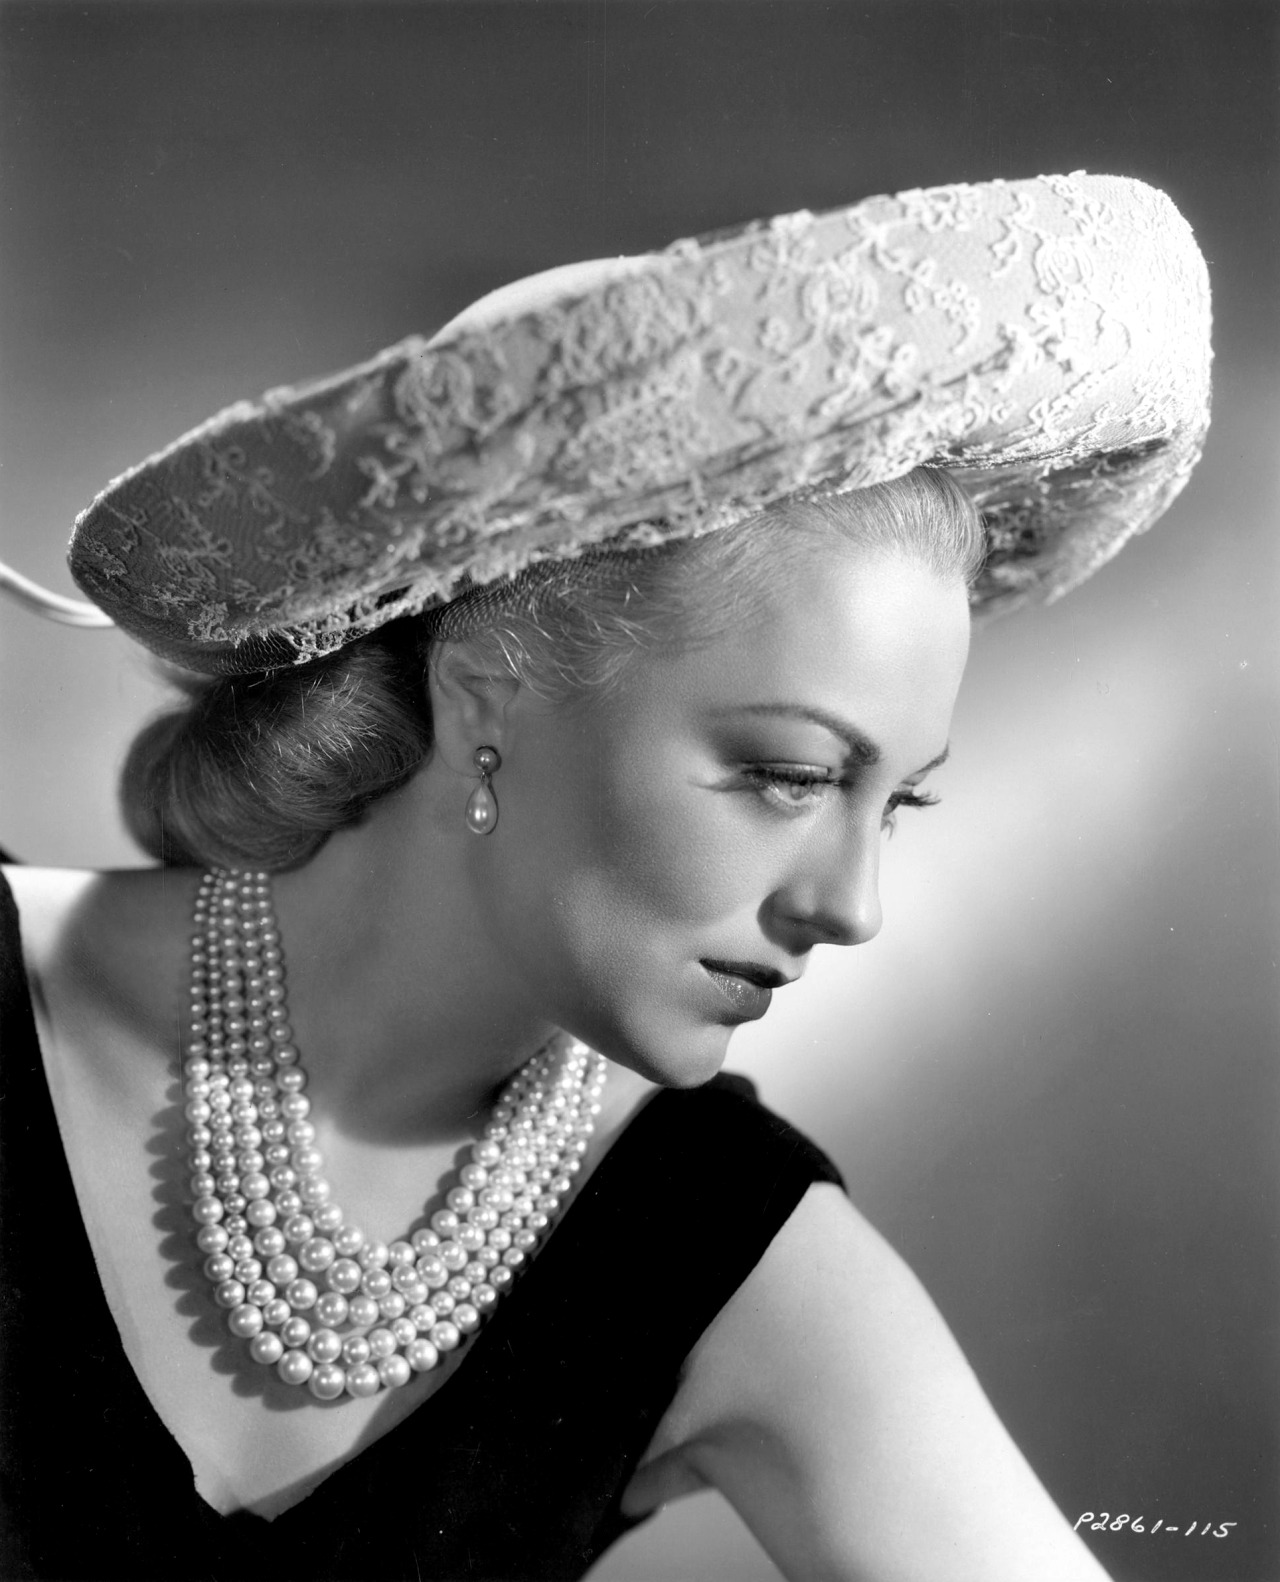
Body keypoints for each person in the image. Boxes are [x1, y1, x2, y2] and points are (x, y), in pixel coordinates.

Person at [0, 172, 1210, 1581]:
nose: (852, 906)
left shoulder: (722, 1248)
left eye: (900, 802)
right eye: (792, 774)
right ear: (486, 691)